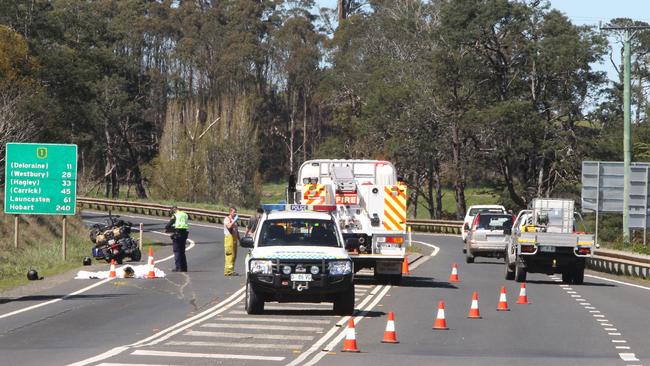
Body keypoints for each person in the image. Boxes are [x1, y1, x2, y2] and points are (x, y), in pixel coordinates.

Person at [165, 206, 189, 272]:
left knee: (177, 251)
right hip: (184, 234)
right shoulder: (185, 214)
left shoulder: (175, 215)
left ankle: (178, 267)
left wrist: (169, 229)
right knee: (182, 251)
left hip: (177, 234)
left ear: (174, 210)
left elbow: (168, 225)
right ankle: (184, 268)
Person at [223, 206, 240, 276]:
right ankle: (228, 271)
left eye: (236, 212)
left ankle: (231, 270)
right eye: (234, 212)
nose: (235, 213)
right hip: (229, 239)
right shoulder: (227, 219)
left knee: (234, 255)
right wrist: (234, 221)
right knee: (229, 254)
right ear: (230, 212)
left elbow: (236, 231)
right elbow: (229, 226)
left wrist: (240, 239)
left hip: (234, 239)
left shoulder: (234, 220)